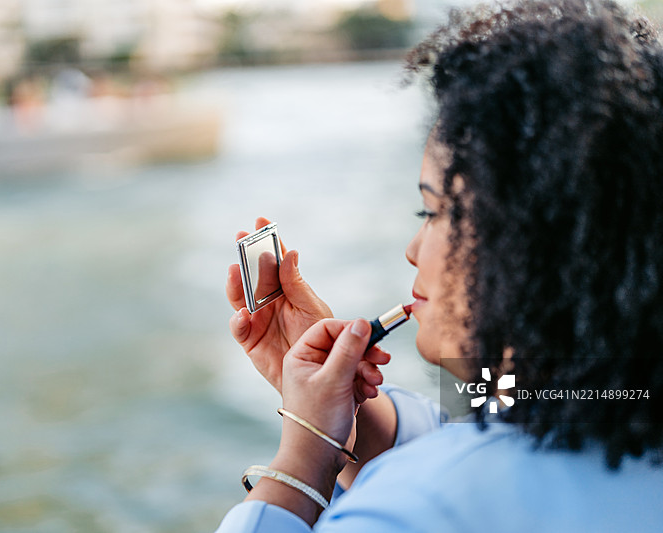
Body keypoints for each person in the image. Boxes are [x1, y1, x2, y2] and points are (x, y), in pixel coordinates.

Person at [215, 0, 663, 531]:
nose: (413, 248)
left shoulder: (418, 508)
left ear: (529, 239)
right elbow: (482, 435)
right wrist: (352, 420)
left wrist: (304, 459)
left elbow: (448, 480)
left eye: (432, 210)